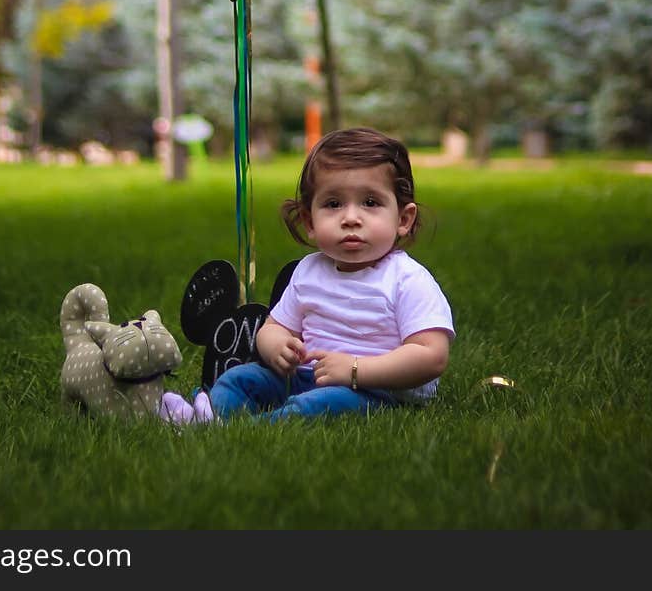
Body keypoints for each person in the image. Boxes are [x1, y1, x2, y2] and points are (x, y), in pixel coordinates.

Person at [160, 127, 454, 425]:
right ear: (309, 221)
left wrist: (354, 370)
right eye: (333, 204)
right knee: (240, 377)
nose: (351, 218)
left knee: (319, 404)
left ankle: (249, 429)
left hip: (378, 391)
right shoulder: (309, 271)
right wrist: (275, 346)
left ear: (403, 218)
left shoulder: (406, 279)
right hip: (305, 375)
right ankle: (211, 412)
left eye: (370, 203)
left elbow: (431, 355)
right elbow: (274, 327)